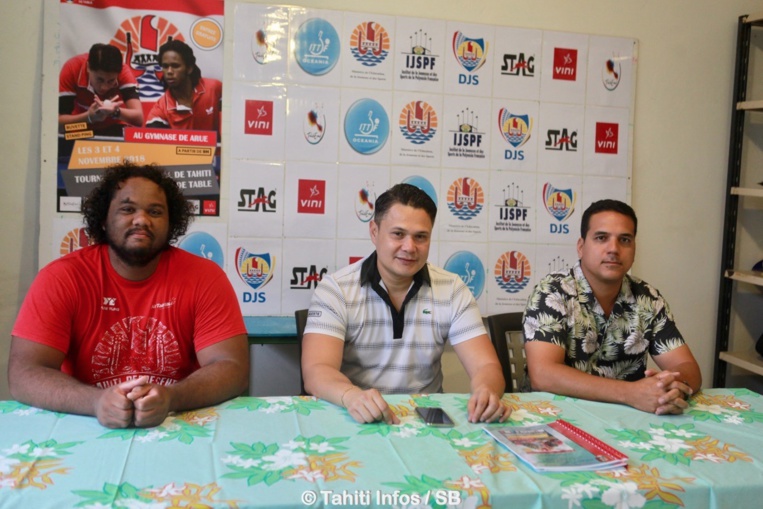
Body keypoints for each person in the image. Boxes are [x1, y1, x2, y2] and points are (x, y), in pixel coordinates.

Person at [9, 162, 248, 429]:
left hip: (177, 423)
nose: (141, 220)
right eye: (127, 209)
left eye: (155, 211)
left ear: (171, 223)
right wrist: (96, 402)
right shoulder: (61, 278)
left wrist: (172, 397)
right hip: (86, 422)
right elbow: (24, 373)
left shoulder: (205, 277)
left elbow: (231, 367)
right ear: (103, 219)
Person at [301, 183, 509, 425]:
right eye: (398, 234)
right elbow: (317, 370)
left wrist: (487, 391)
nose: (410, 247)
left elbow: (486, 365)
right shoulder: (336, 289)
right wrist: (351, 396)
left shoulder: (452, 289)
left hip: (427, 420)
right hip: (356, 415)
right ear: (374, 232)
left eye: (420, 237)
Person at [522, 199, 702, 415]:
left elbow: (688, 367)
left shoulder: (648, 298)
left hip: (628, 418)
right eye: (601, 238)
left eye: (624, 240)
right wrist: (630, 393)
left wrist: (670, 388)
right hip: (558, 415)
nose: (614, 249)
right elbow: (543, 375)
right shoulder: (552, 292)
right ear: (581, 247)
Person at [59, 43, 144, 136]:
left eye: (111, 81)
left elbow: (139, 119)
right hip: (80, 126)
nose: (104, 87)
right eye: (100, 80)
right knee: (66, 138)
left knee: (126, 137)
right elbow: (58, 125)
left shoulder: (124, 72)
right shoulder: (72, 69)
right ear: (88, 67)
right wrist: (89, 117)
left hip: (112, 127)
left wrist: (115, 112)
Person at [145, 39, 222, 134]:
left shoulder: (214, 88)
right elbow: (152, 141)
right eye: (165, 66)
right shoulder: (160, 110)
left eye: (175, 66)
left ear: (189, 68)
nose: (169, 71)